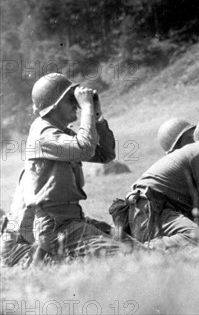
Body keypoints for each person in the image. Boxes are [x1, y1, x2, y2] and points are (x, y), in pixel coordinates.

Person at [20, 73, 125, 263]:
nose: (75, 104)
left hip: (71, 221)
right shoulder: (43, 134)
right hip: (57, 227)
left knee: (132, 244)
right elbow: (84, 148)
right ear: (54, 105)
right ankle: (49, 255)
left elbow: (105, 154)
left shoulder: (60, 132)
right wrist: (86, 107)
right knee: (127, 256)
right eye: (71, 100)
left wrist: (97, 115)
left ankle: (48, 257)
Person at [122, 116, 199, 250]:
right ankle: (141, 250)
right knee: (198, 237)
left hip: (146, 213)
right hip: (150, 212)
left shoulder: (196, 153)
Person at [0, 170, 35, 267]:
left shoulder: (29, 168)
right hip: (19, 244)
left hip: (11, 243)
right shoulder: (36, 171)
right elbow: (24, 225)